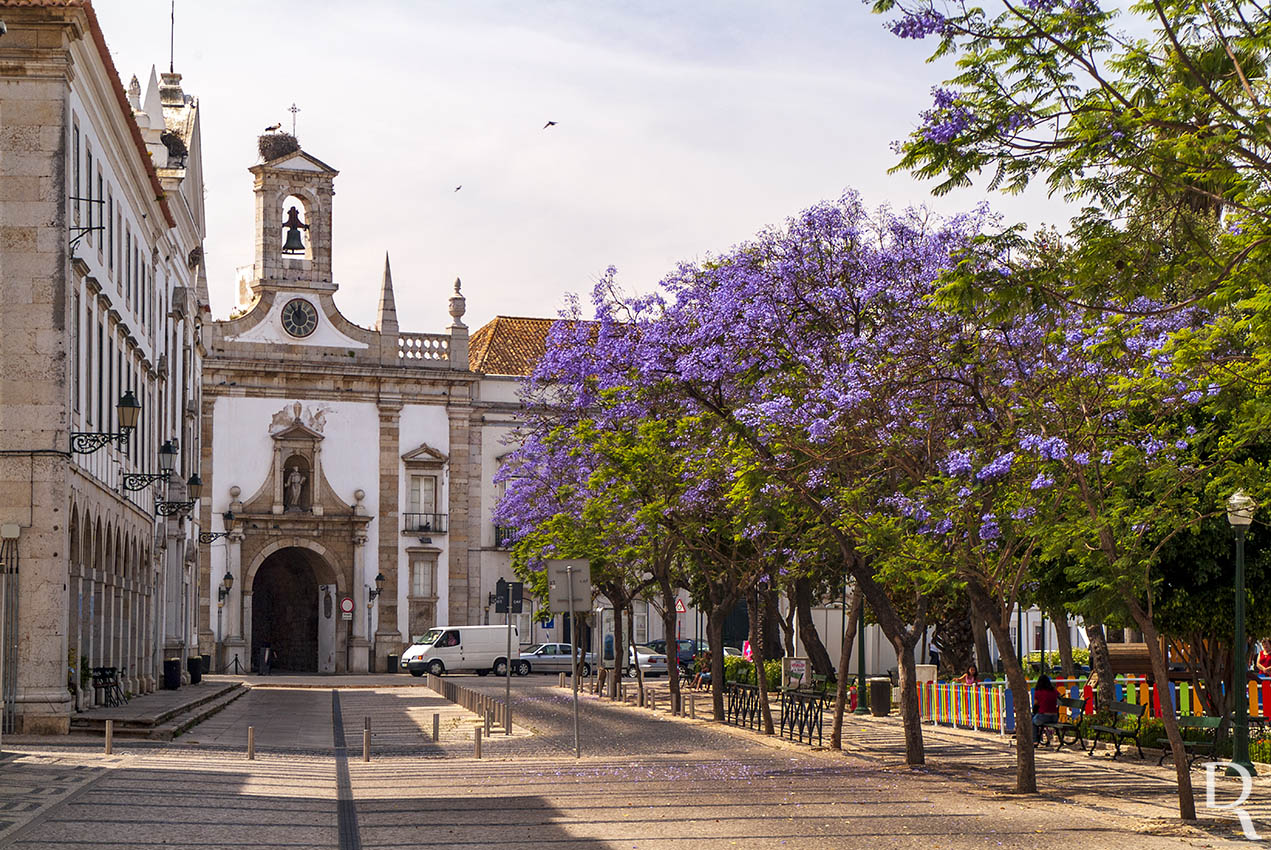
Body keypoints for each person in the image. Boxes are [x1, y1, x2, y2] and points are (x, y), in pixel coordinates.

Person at [1032, 674, 1060, 745]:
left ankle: (1035, 740)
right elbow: (1059, 697)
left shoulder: (1038, 692)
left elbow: (1036, 705)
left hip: (1043, 717)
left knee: (1032, 721)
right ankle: (1040, 738)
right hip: (1054, 717)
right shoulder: (1054, 691)